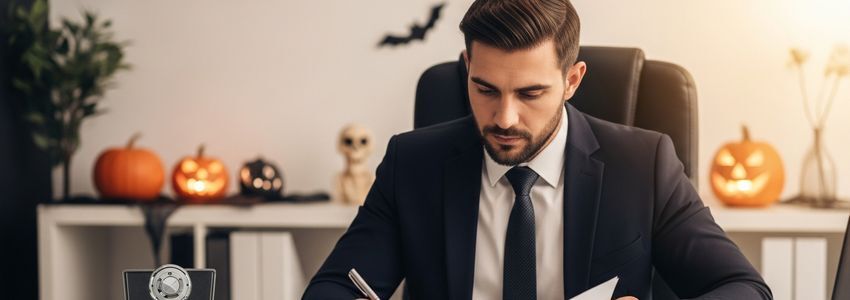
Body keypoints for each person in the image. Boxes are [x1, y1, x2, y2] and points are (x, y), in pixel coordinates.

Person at [304, 0, 771, 299]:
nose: (504, 118)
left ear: (572, 80)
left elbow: (744, 289)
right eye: (485, 89)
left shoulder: (643, 165)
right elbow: (332, 288)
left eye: (529, 93)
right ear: (466, 66)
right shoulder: (413, 164)